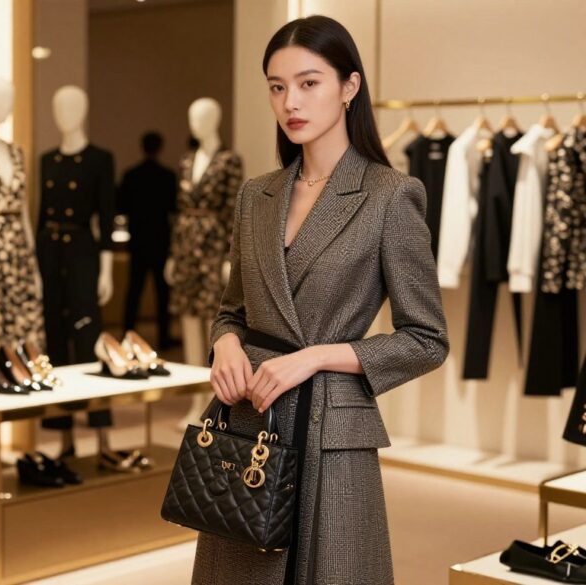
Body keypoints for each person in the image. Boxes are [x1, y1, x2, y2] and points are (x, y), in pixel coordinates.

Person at [192, 15, 449, 585]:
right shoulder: (256, 195)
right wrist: (226, 344)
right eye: (277, 87)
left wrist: (314, 357)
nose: (291, 102)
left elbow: (427, 339)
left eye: (309, 83)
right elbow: (232, 309)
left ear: (349, 86)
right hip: (249, 419)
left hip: (330, 433)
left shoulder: (390, 196)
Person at [118, 131, 178, 348]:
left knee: (134, 289)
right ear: (160, 147)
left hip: (139, 239)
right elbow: (174, 207)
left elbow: (121, 205)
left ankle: (127, 333)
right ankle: (163, 336)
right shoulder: (167, 176)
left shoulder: (132, 175)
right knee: (162, 292)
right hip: (160, 238)